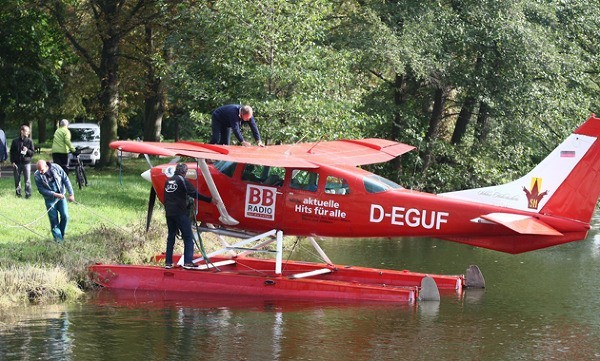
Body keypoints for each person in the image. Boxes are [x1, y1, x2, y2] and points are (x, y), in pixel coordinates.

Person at [163, 163, 213, 270]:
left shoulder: (168, 181)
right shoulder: (182, 180)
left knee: (171, 236)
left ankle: (168, 262)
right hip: (180, 213)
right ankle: (188, 262)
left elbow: (166, 197)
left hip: (169, 213)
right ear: (184, 172)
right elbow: (193, 193)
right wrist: (209, 200)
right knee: (188, 237)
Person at [34, 160, 75, 242]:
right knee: (54, 220)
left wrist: (71, 194)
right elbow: (41, 190)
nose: (41, 172)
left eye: (42, 170)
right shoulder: (37, 175)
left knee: (65, 216)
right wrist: (54, 194)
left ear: (46, 166)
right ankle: (58, 241)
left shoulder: (56, 167)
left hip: (61, 196)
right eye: (39, 170)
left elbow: (65, 179)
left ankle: (61, 236)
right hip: (49, 199)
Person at [9, 124, 35, 198]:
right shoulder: (15, 141)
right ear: (22, 131)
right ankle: (18, 194)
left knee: (27, 180)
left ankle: (28, 194)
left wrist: (27, 150)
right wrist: (12, 161)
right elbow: (12, 152)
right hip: (17, 163)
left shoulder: (29, 141)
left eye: (28, 131)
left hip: (26, 163)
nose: (28, 133)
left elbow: (32, 153)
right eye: (26, 131)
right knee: (17, 180)